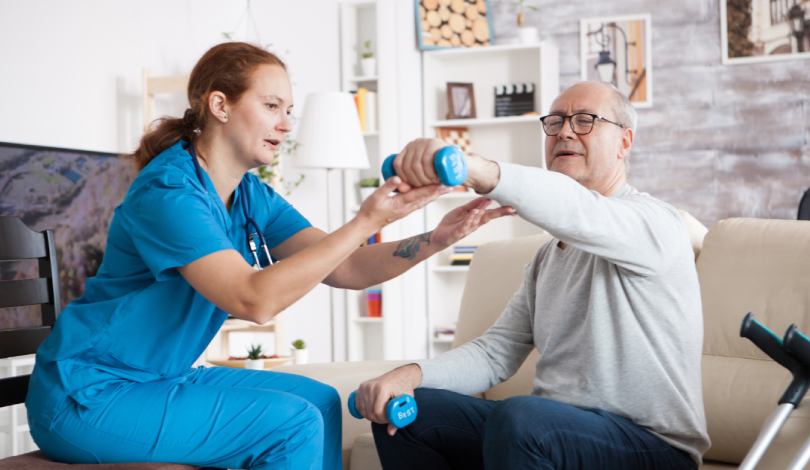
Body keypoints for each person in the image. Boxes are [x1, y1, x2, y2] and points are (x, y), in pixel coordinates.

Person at [25, 42, 514, 470]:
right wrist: (367, 220)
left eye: (289, 111)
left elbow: (345, 267)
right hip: (87, 397)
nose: (285, 125)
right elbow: (253, 301)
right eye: (272, 106)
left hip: (157, 380)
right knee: (291, 424)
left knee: (320, 403)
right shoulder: (169, 193)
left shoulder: (249, 195)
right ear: (220, 104)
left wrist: (437, 238)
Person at [354, 81, 711, 470]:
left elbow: (578, 211)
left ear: (625, 143)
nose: (565, 131)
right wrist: (409, 376)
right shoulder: (547, 258)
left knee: (524, 418)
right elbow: (496, 353)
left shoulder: (655, 224)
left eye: (585, 120)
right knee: (410, 414)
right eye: (555, 121)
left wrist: (472, 167)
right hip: (554, 435)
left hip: (652, 447)